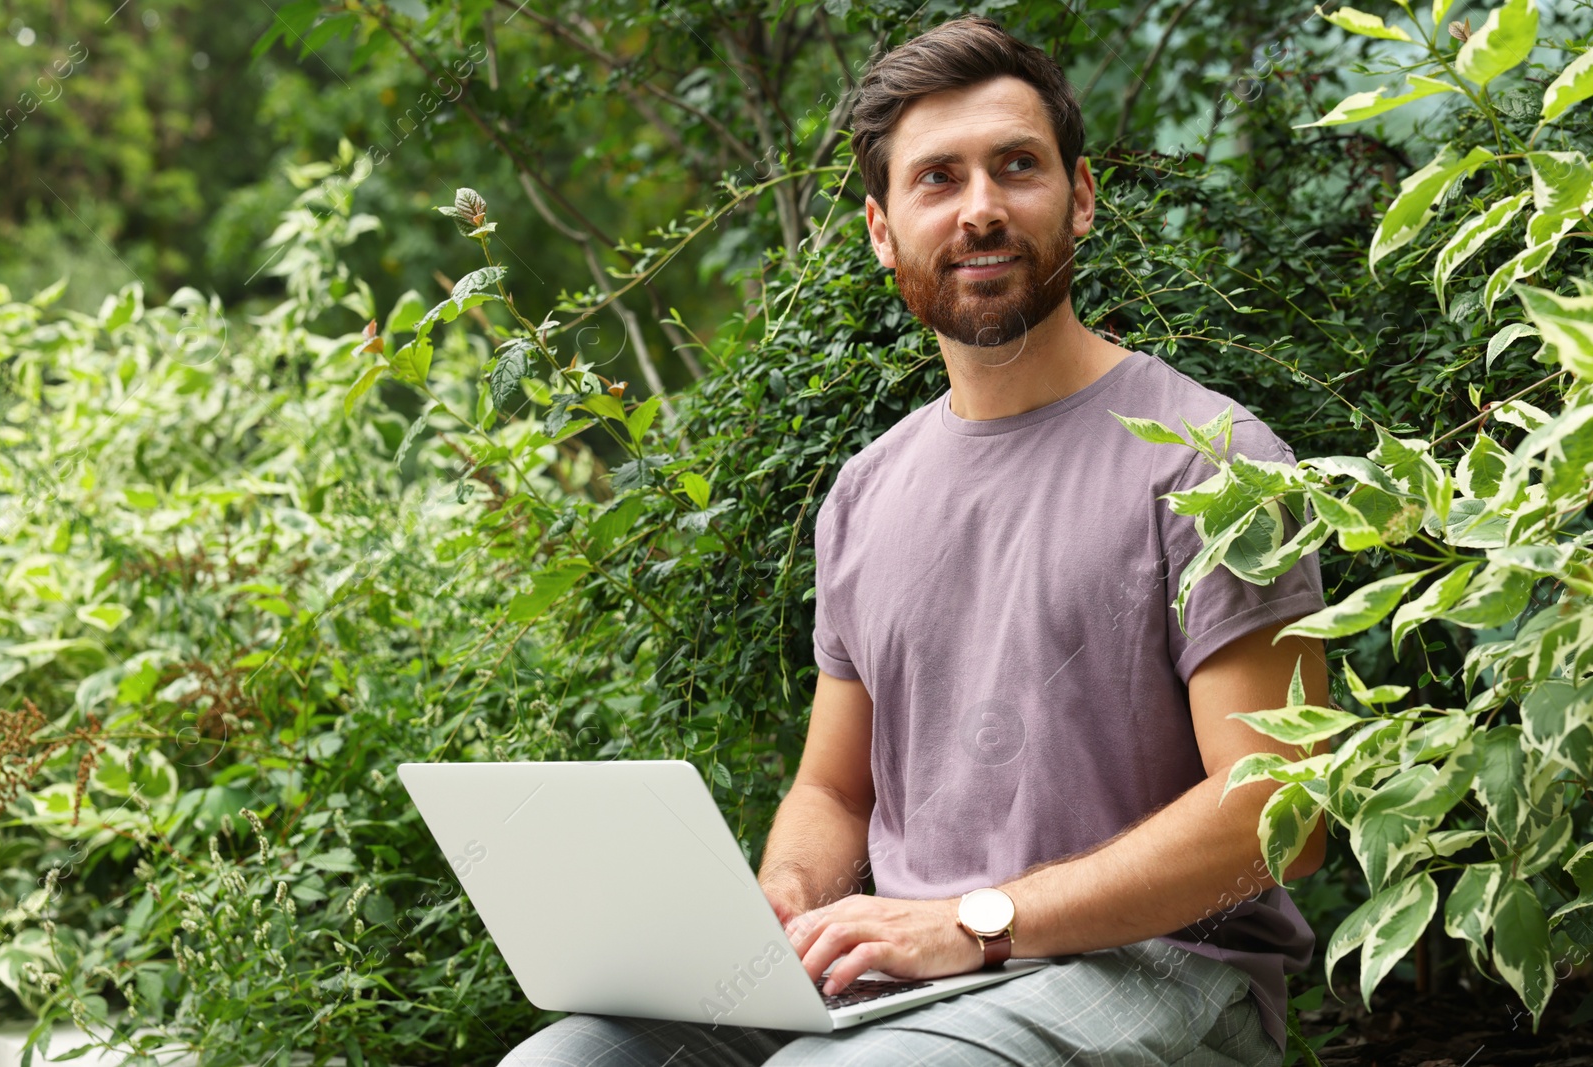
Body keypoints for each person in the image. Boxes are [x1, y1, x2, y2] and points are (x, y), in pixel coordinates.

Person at [499, 13, 1329, 1066]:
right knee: (566, 1060)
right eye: (937, 179)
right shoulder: (866, 492)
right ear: (883, 230)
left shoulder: (1210, 459)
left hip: (1160, 970)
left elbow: (1280, 808)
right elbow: (833, 789)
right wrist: (786, 906)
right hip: (913, 971)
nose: (980, 208)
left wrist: (977, 919)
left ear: (1078, 197)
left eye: (1015, 167)